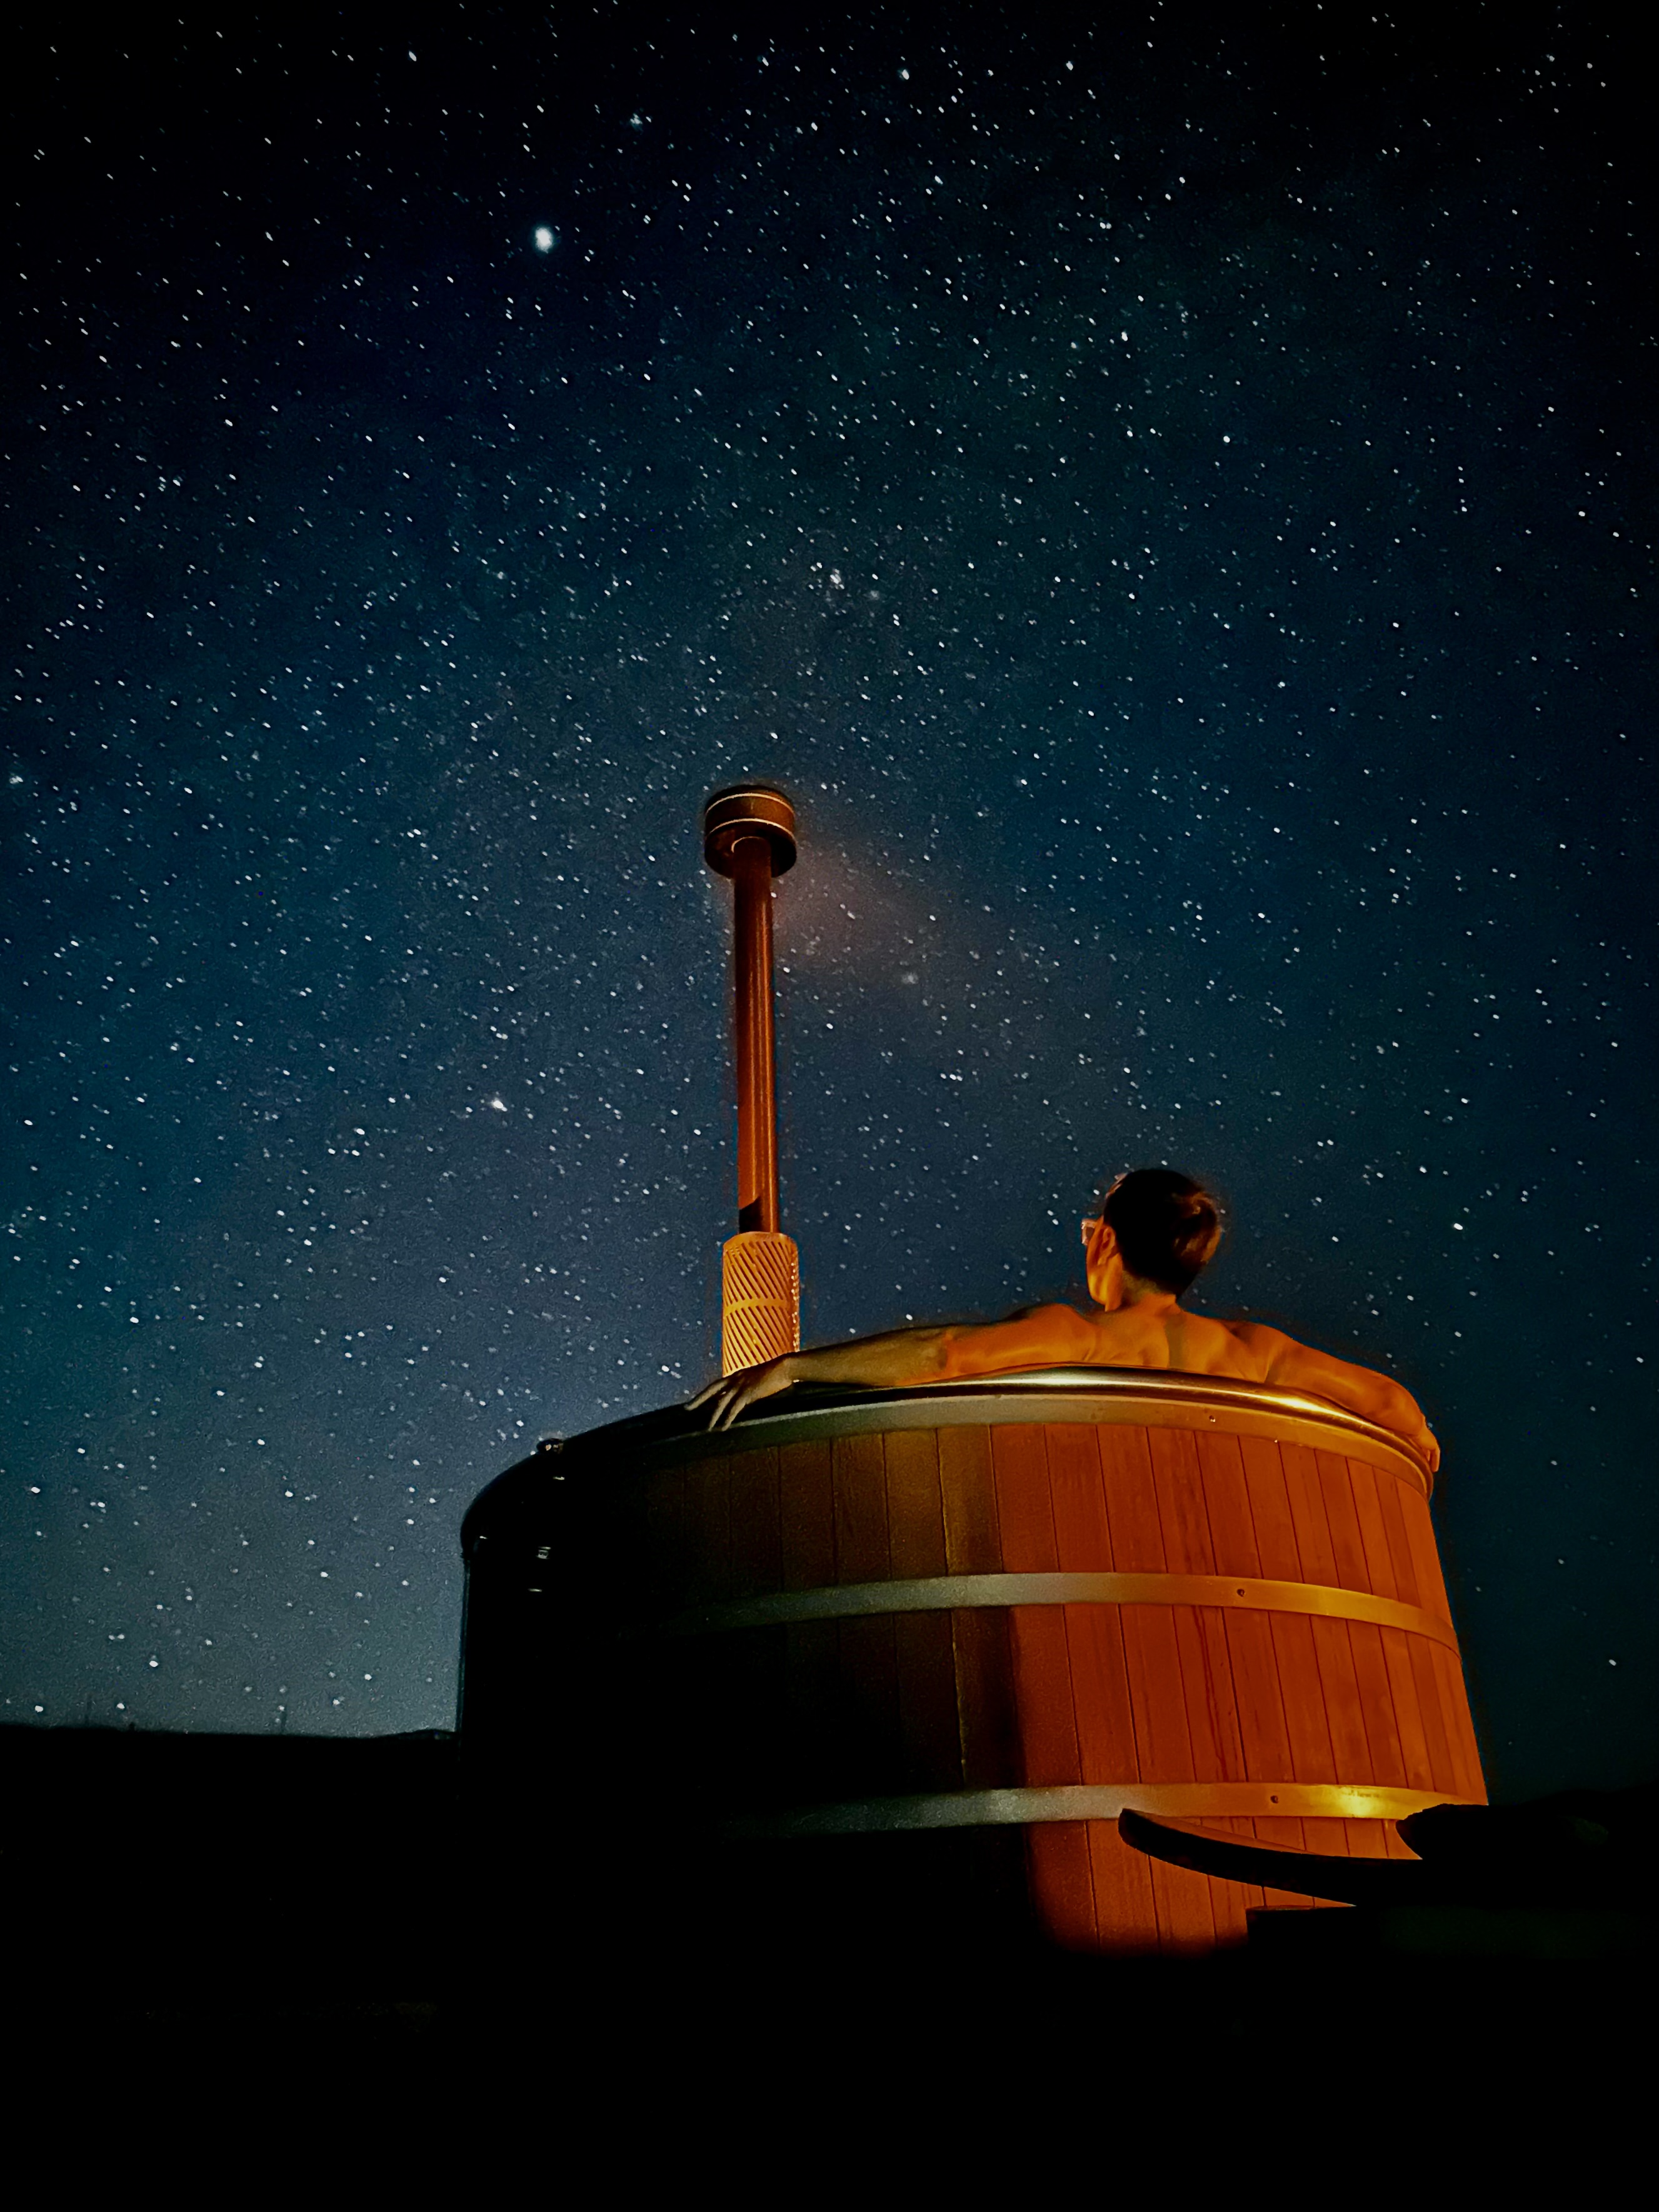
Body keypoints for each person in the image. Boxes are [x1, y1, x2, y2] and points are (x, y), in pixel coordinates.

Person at [690, 1166, 1439, 1470]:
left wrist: (791, 1366)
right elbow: (1398, 1410)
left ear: (1105, 1239)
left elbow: (947, 1355)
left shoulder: (1082, 1337)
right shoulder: (1256, 1352)